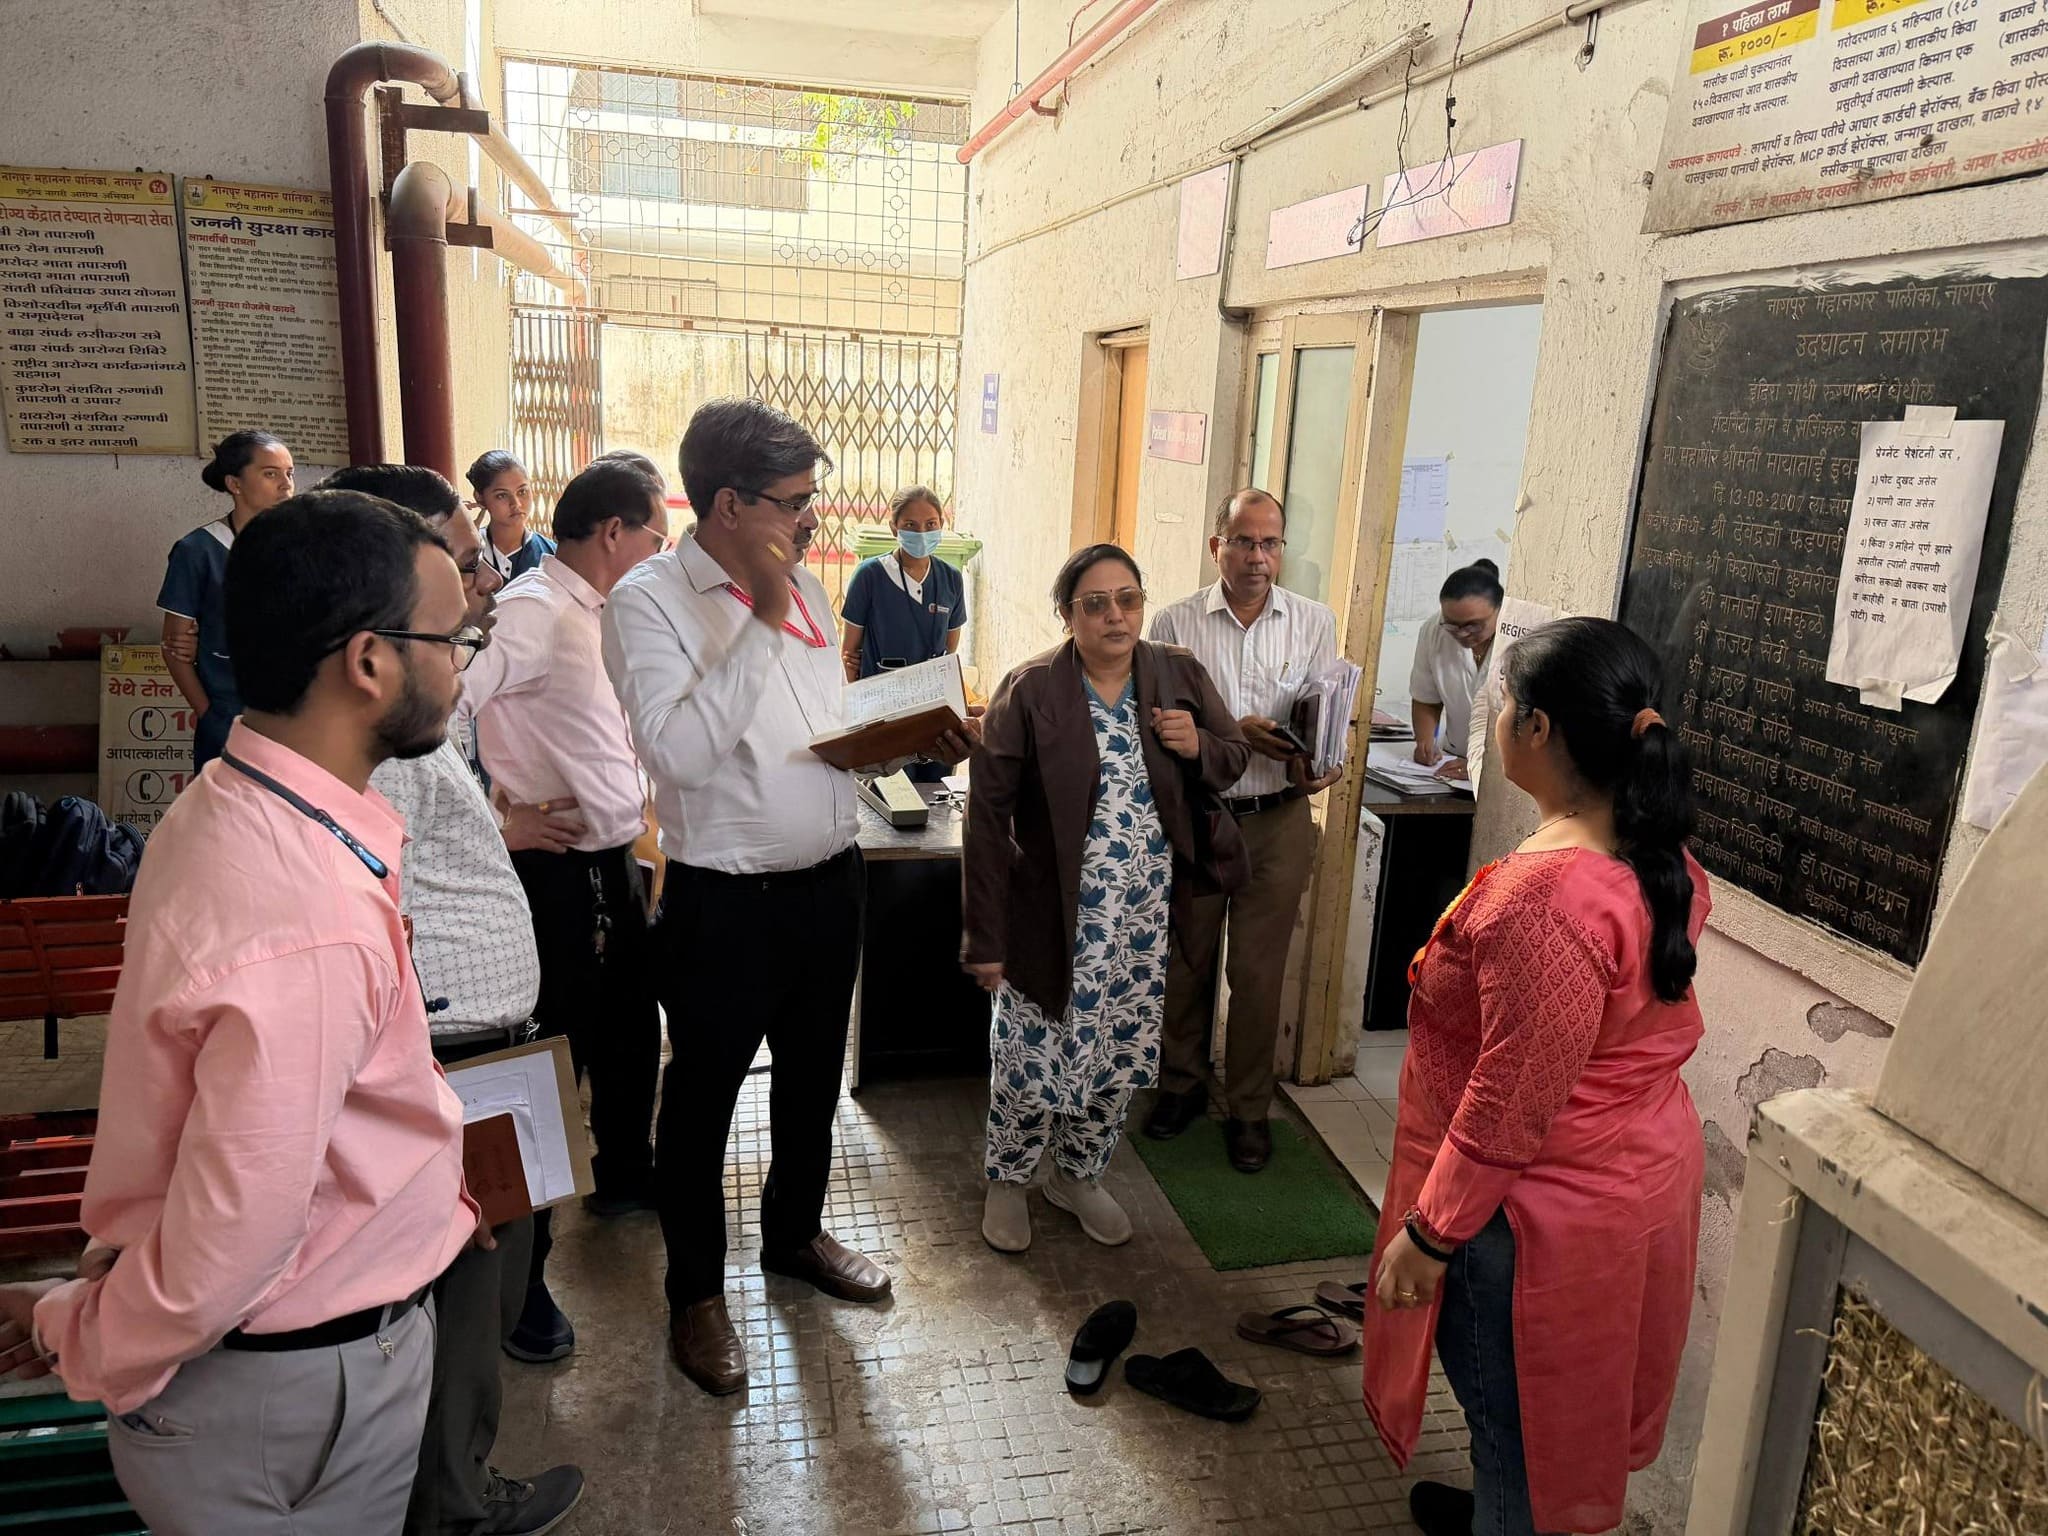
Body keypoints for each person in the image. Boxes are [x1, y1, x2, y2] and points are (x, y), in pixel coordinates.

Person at [0, 491, 480, 1535]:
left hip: (274, 1370)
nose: (461, 665)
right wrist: (74, 1331)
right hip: (290, 1393)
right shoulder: (303, 916)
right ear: (369, 662)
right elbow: (229, 1245)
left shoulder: (238, 799)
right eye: (451, 640)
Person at [603, 399, 972, 1396]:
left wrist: (906, 735)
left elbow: (823, 728)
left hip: (829, 882)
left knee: (812, 1081)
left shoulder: (806, 585)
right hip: (726, 905)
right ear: (727, 504)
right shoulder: (648, 601)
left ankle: (794, 1235)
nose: (812, 520)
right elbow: (678, 754)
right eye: (794, 501)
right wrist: (762, 618)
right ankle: (694, 1293)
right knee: (703, 1104)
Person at [1363, 616, 1710, 1536]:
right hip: (1627, 1176)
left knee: (1520, 1434)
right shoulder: (1653, 850)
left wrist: (1429, 1236)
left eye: (1504, 701)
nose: (1496, 717)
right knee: (1545, 1416)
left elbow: (1510, 1104)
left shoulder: (1543, 902)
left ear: (1539, 728)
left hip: (1532, 1215)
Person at [316, 465, 585, 1536]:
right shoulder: (375, 740)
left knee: (492, 1278)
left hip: (484, 1050)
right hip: (449, 1059)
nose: (482, 585)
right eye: (463, 565)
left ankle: (454, 1484)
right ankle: (453, 1506)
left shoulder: (417, 719)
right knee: (461, 1292)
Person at [964, 544, 1249, 1254]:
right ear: (1068, 615)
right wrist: (985, 937)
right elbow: (986, 821)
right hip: (1048, 920)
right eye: (1095, 604)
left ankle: (1078, 1176)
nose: (1115, 616)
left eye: (1128, 599)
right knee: (1029, 1058)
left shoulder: (1176, 673)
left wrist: (1197, 745)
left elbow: (1234, 756)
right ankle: (1009, 1180)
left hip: (1138, 923)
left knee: (1115, 1055)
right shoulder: (1030, 689)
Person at [457, 458, 668, 1365]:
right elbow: (440, 714)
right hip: (553, 872)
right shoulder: (534, 612)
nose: (662, 550)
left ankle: (624, 1175)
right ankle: (523, 1278)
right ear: (614, 532)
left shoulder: (602, 611)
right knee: (554, 1059)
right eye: (656, 534)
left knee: (630, 1029)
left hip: (614, 862)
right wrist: (499, 817)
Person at [1145, 487, 1341, 1172]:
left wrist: (1321, 764)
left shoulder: (1314, 622)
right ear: (1216, 547)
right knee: (1187, 961)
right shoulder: (1174, 624)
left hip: (1278, 820)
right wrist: (1230, 734)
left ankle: (1250, 1109)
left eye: (1271, 543)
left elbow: (1327, 715)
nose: (1258, 557)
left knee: (1258, 976)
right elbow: (1154, 727)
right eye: (1244, 542)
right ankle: (1181, 1086)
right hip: (1200, 818)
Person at [159, 430, 295, 772]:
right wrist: (208, 713)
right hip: (229, 718)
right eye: (270, 474)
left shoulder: (302, 547)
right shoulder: (198, 550)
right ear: (235, 484)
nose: (286, 485)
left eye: (289, 473)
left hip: (296, 717)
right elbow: (174, 647)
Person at [1410, 558, 1504, 780]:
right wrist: (1425, 743)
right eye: (1452, 624)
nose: (1462, 633)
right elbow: (1426, 698)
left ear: (1500, 610)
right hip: (1454, 759)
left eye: (1473, 625)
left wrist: (1482, 766)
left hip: (1503, 771)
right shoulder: (1434, 630)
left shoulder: (1521, 640)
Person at [467, 450, 555, 584]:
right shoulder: (467, 553)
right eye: (501, 495)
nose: (516, 504)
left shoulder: (551, 554)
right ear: (479, 497)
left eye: (522, 491)